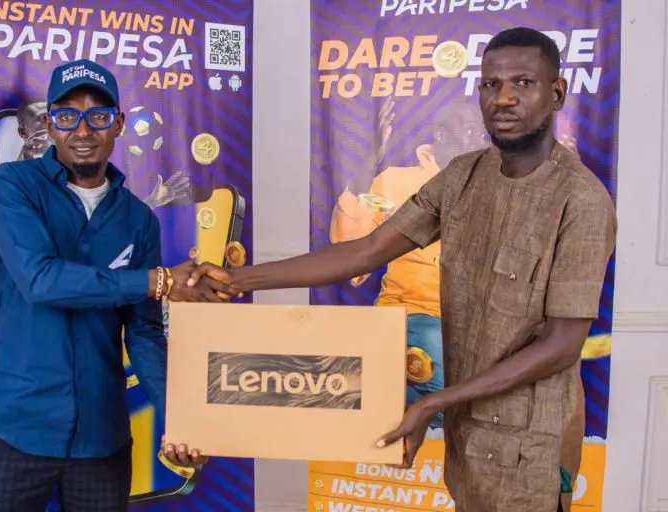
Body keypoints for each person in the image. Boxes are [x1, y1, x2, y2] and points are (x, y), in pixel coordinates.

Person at [190, 27, 616, 512]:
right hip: (466, 442)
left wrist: (432, 402)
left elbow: (561, 346)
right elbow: (367, 250)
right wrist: (239, 279)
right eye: (491, 84)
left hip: (529, 452)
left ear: (556, 93)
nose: (503, 98)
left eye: (523, 82)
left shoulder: (581, 201)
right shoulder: (462, 176)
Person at [0, 59, 235, 512]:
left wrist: (179, 417)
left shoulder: (139, 219)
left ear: (118, 124)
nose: (82, 130)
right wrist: (156, 280)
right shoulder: (12, 186)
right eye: (66, 116)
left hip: (101, 438)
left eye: (97, 116)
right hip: (17, 427)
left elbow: (145, 332)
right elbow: (40, 280)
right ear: (50, 125)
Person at [330, 97, 488, 427]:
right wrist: (371, 157)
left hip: (477, 323)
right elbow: (350, 245)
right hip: (413, 315)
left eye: (482, 133)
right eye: (469, 129)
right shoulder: (397, 181)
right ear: (442, 135)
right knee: (447, 392)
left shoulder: (495, 186)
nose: (478, 139)